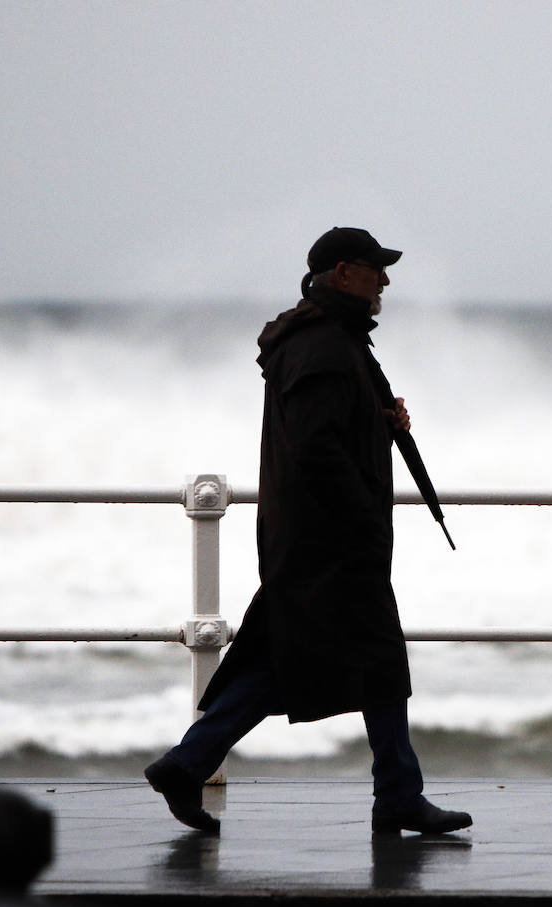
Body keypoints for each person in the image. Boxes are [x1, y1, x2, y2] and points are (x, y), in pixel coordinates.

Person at [145, 227, 472, 837]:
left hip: (313, 537)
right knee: (367, 661)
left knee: (299, 661)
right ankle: (396, 795)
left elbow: (327, 431)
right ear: (343, 272)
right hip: (331, 540)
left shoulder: (326, 340)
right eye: (375, 268)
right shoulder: (324, 346)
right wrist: (361, 520)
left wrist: (379, 421)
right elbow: (317, 448)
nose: (385, 280)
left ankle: (188, 764)